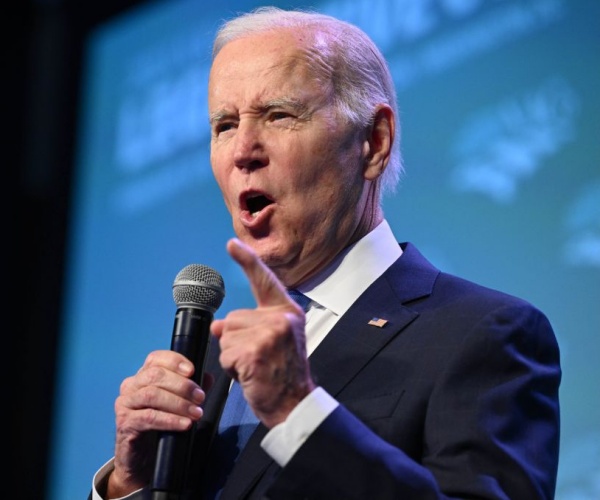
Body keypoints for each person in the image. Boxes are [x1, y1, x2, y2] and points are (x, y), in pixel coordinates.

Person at [89, 6, 561, 499]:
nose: (242, 150)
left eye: (279, 115)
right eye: (225, 125)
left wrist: (299, 411)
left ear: (374, 142)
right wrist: (130, 483)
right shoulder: (212, 363)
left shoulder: (481, 334)